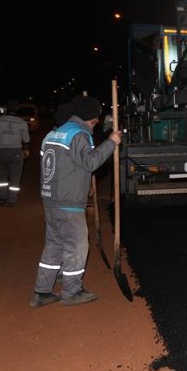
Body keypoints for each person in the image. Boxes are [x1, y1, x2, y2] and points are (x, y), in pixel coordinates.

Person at [30, 95, 122, 307]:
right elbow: (90, 163)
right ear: (90, 117)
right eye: (96, 118)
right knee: (77, 245)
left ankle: (41, 292)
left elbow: (65, 165)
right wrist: (111, 143)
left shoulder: (53, 133)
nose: (97, 122)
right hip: (68, 201)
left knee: (54, 245)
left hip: (50, 198)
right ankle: (72, 291)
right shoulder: (78, 135)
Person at [0, 100, 30, 205]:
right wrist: (26, 150)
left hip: (1, 151)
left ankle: (2, 197)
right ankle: (12, 200)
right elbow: (26, 139)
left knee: (1, 175)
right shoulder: (22, 122)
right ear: (17, 109)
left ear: (6, 109)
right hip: (16, 152)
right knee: (15, 177)